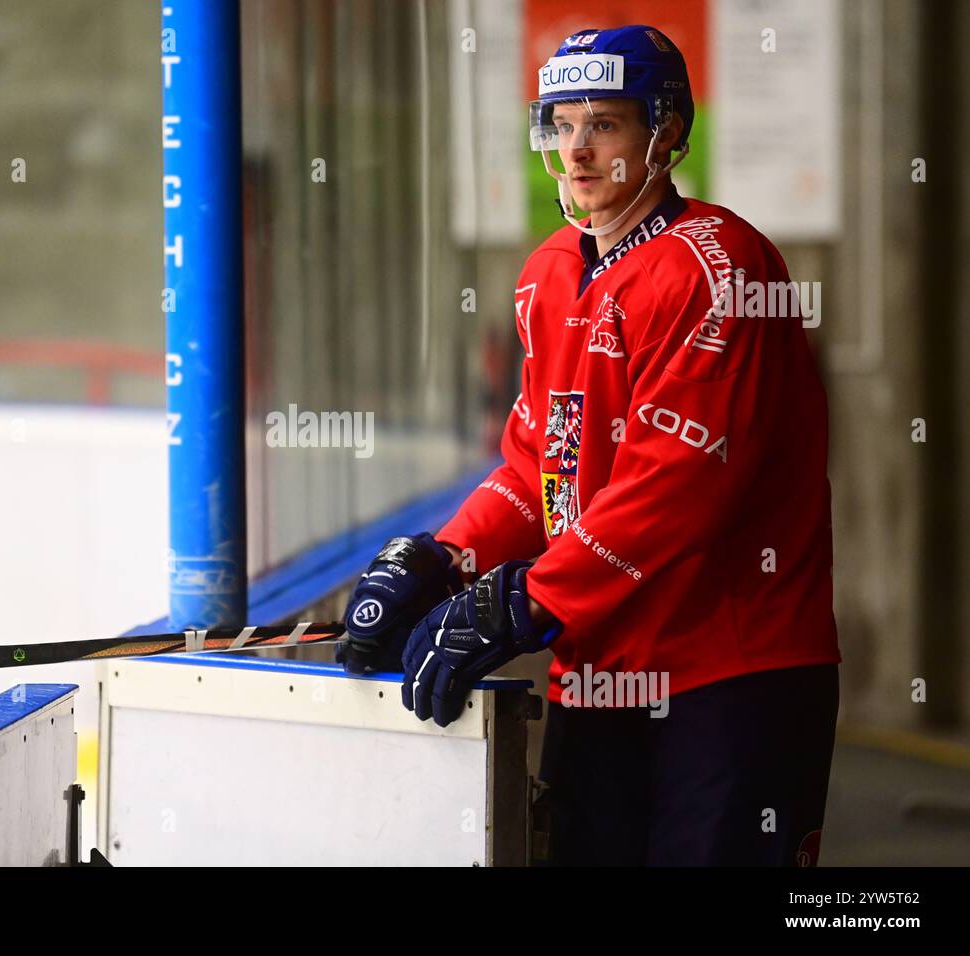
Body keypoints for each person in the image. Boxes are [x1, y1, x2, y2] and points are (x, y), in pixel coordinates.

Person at [336, 24, 841, 866]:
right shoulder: (546, 274)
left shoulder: (722, 269)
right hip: (598, 671)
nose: (576, 149)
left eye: (603, 123)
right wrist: (445, 559)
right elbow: (539, 462)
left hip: (730, 681)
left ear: (667, 130)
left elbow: (679, 488)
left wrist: (520, 602)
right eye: (561, 123)